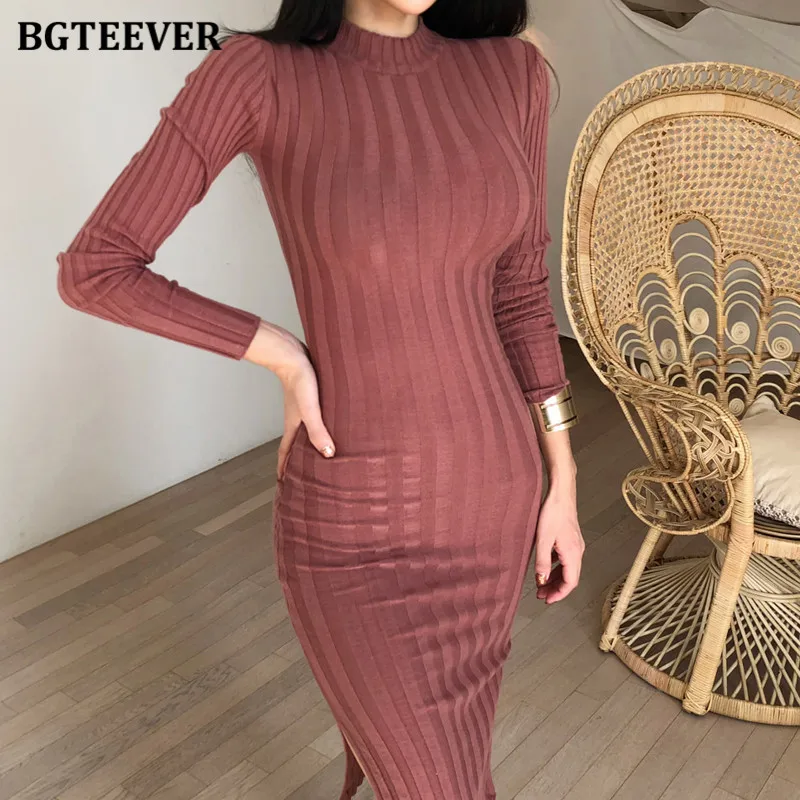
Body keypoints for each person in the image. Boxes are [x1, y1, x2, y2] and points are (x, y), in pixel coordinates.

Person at [56, 1, 585, 797]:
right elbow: (95, 268)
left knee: (452, 766)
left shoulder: (512, 74)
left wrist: (562, 482)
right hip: (355, 524)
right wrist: (282, 353)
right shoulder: (259, 76)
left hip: (491, 505)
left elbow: (520, 292)